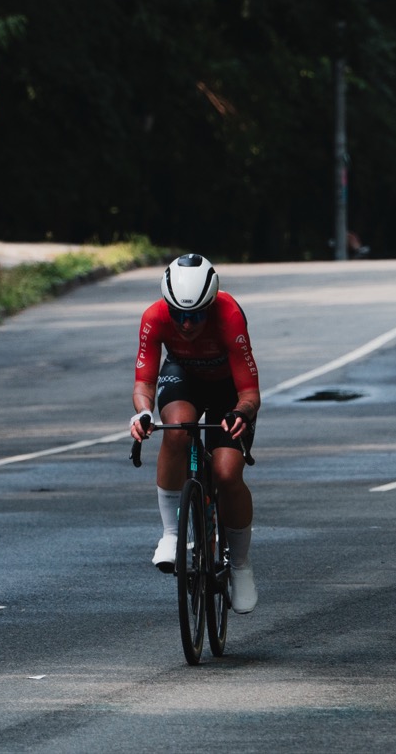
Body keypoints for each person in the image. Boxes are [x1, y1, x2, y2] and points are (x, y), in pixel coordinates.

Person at [129, 254, 262, 614]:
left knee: (226, 473)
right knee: (176, 431)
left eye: (197, 314)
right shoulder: (154, 317)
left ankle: (240, 564)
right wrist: (143, 412)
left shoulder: (229, 316)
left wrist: (241, 414)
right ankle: (172, 535)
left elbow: (250, 394)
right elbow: (144, 382)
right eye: (179, 314)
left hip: (227, 392)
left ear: (211, 305)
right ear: (167, 305)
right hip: (183, 377)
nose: (186, 324)